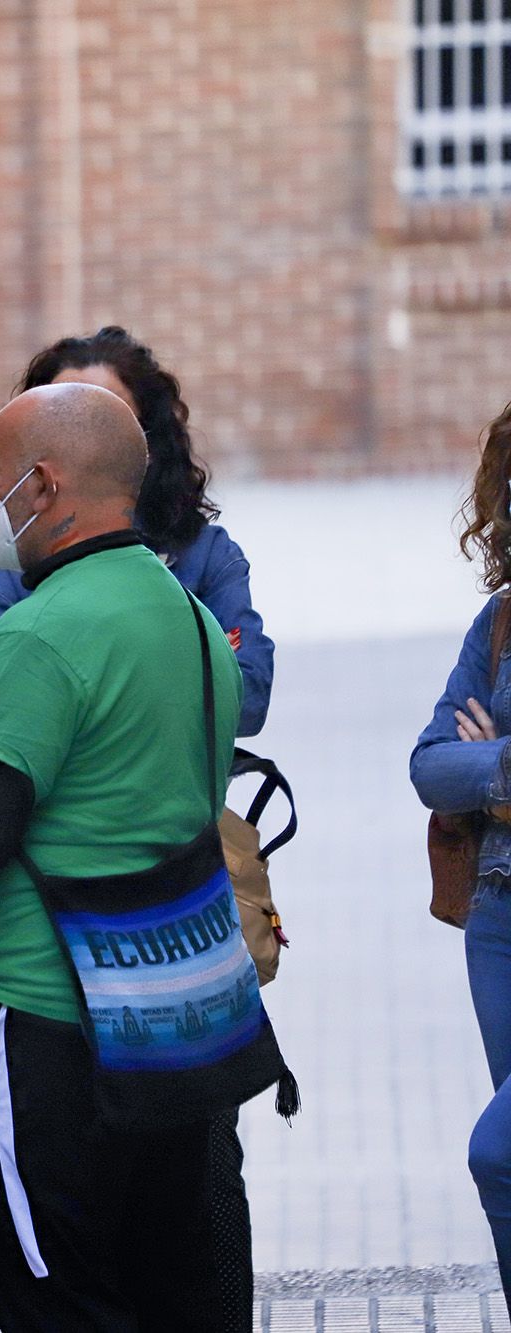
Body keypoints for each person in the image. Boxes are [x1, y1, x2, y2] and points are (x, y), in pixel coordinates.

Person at [0, 383, 245, 1328]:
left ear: (42, 486)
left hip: (40, 1017)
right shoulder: (194, 624)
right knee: (168, 1290)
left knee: (58, 1299)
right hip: (173, 1019)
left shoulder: (37, 637)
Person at [0, 327, 273, 738]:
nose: (74, 446)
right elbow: (0, 707)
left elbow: (246, 701)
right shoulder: (9, 563)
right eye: (55, 423)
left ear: (147, 444)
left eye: (100, 424)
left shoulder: (205, 557)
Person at [410, 397, 511, 1295]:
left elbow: (465, 761)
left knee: (500, 1152)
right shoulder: (502, 621)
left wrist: (492, 758)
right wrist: (496, 775)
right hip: (499, 915)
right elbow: (431, 764)